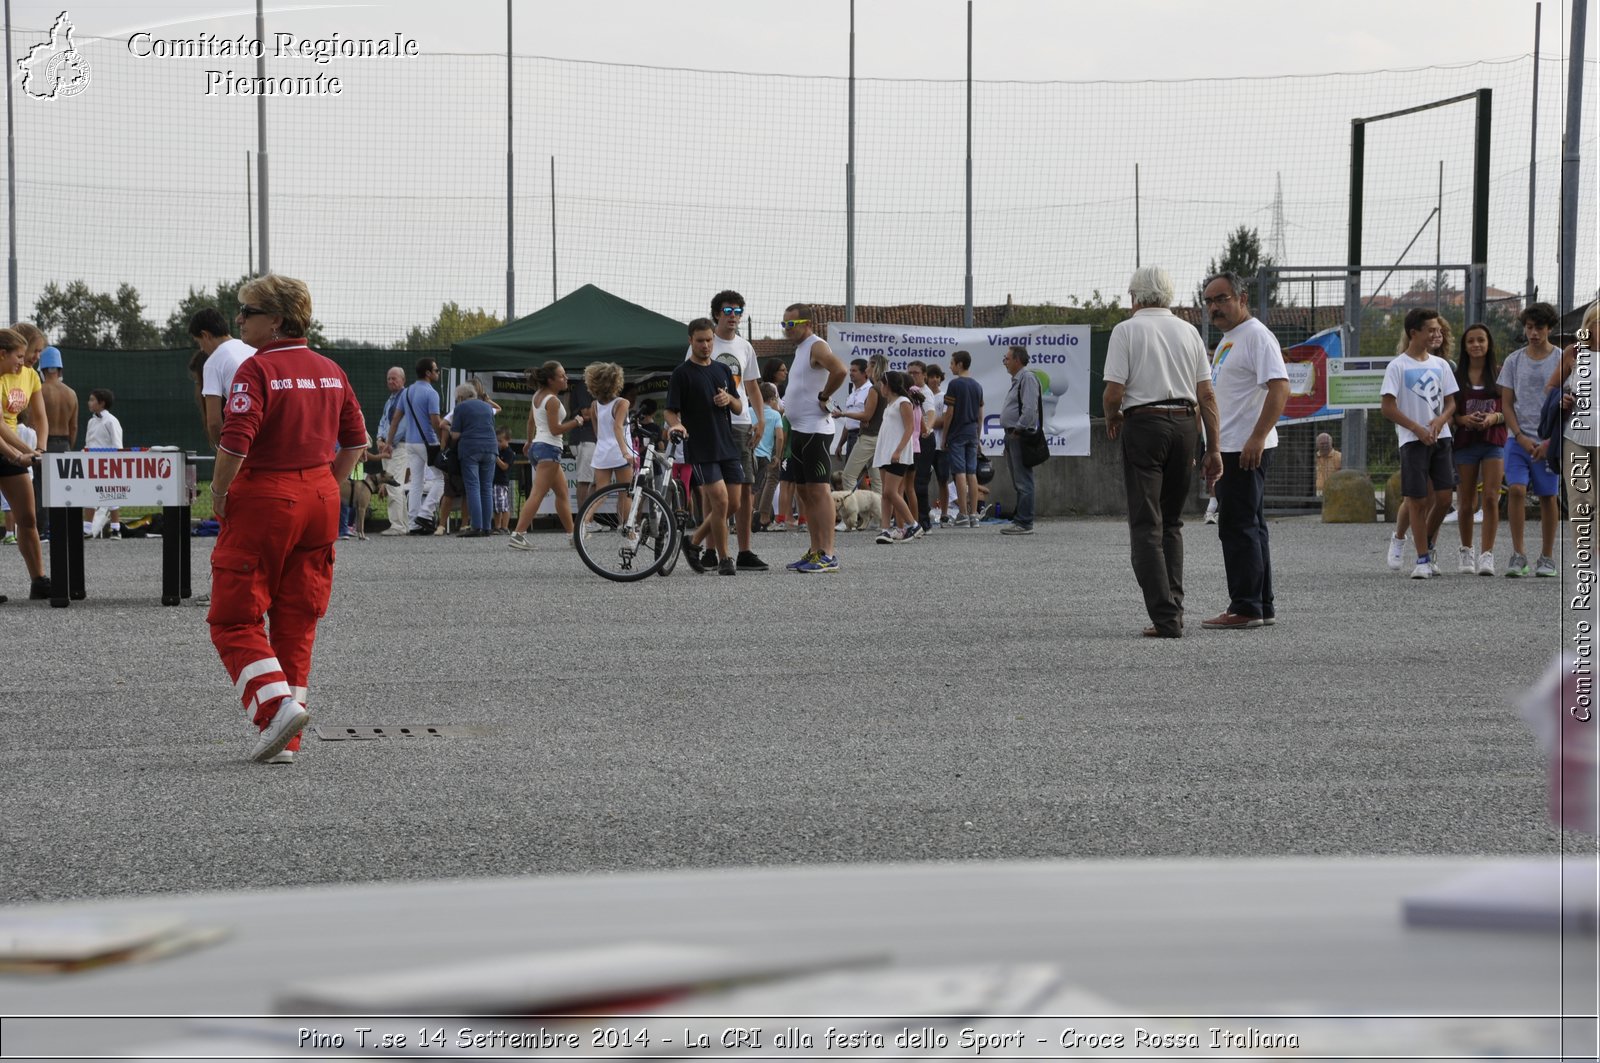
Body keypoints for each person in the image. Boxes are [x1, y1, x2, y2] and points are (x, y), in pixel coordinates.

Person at [207, 274, 366, 764]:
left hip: (267, 496)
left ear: (276, 319)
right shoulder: (330, 369)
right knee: (297, 619)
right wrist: (325, 482)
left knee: (233, 617)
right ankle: (286, 741)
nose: (238, 319)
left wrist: (217, 490)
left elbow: (235, 439)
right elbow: (357, 441)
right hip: (321, 495)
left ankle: (275, 709)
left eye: (247, 311)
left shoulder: (256, 370)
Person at [1103, 266, 1219, 638]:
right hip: (1186, 424)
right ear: (1167, 295)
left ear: (1135, 297)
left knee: (1145, 522)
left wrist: (1112, 417)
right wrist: (1212, 447)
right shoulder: (1189, 332)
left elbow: (1113, 391)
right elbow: (1207, 395)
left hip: (1145, 424)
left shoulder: (1126, 330)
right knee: (1172, 522)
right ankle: (1175, 609)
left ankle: (1165, 618)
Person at [1200, 270, 1289, 626]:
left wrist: (1257, 436)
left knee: (1237, 526)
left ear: (1241, 299)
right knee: (1251, 524)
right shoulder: (1229, 339)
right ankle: (1261, 604)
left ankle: (1245, 606)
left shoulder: (1256, 336)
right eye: (1208, 301)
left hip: (1245, 446)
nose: (1214, 307)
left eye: (1221, 299)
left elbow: (1280, 388)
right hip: (1231, 446)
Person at [686, 291, 767, 571]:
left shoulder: (745, 347)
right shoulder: (703, 341)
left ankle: (744, 550)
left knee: (744, 490)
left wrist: (761, 419)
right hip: (712, 425)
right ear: (717, 314)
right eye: (728, 310)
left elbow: (752, 386)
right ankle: (710, 550)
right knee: (713, 493)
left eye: (738, 310)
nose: (734, 315)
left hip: (741, 421)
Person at [1380, 307, 1458, 580]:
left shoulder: (1441, 365)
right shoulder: (1398, 366)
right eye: (1432, 330)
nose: (1437, 334)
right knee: (1416, 499)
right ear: (1415, 333)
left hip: (1441, 438)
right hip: (1412, 441)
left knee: (1445, 497)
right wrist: (1417, 428)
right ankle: (1422, 559)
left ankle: (1427, 545)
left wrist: (1439, 422)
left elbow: (1451, 402)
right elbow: (1387, 408)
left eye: (1439, 330)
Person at [667, 319, 744, 575]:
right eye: (700, 340)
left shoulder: (722, 369)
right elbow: (669, 411)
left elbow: (739, 406)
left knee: (733, 504)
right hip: (700, 447)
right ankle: (725, 558)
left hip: (727, 444)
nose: (706, 345)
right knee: (720, 502)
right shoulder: (682, 373)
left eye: (709, 340)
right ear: (691, 341)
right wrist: (676, 425)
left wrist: (729, 398)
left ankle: (693, 541)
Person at [777, 306, 847, 573]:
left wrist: (824, 396)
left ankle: (828, 553)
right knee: (805, 492)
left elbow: (839, 371)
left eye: (791, 323)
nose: (786, 329)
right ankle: (816, 549)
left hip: (815, 431)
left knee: (819, 491)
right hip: (799, 430)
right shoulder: (801, 349)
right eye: (783, 324)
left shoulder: (816, 346)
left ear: (807, 323)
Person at [1499, 302, 1561, 578]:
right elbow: (1507, 404)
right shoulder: (1514, 360)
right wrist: (1520, 437)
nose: (1533, 333)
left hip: (1549, 441)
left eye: (1539, 328)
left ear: (1549, 329)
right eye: (1529, 327)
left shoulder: (1562, 359)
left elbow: (1566, 402)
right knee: (1516, 490)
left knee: (1548, 496)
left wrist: (1548, 442)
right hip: (1518, 440)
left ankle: (1547, 557)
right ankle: (1518, 554)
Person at [508, 361, 584, 550]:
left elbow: (530, 421)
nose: (565, 378)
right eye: (561, 375)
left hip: (540, 447)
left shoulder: (538, 396)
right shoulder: (552, 400)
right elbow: (556, 429)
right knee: (538, 494)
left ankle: (572, 535)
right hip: (549, 448)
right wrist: (576, 421)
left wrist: (528, 441)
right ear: (551, 380)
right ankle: (518, 535)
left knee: (562, 493)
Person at [1450, 323, 1506, 575]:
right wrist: (1464, 420)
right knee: (1466, 502)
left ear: (1488, 344)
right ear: (1465, 346)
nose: (1476, 345)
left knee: (1492, 497)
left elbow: (1510, 411)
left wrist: (1494, 418)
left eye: (1481, 340)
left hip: (1493, 441)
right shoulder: (1456, 377)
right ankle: (1466, 551)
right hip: (1465, 444)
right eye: (1471, 341)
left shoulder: (1500, 374)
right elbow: (1451, 414)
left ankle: (1487, 555)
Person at [0, 328, 48, 600]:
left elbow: (40, 417)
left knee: (27, 517)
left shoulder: (31, 376)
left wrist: (38, 449)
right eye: (31, 352)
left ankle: (39, 579)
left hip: (11, 447)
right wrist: (22, 453)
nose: (33, 358)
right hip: (10, 447)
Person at [1551, 303, 1598, 548]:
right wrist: (1562, 397)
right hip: (1576, 433)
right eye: (1596, 323)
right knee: (1580, 496)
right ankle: (1583, 552)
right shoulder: (1574, 352)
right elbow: (1550, 388)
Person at [395, 358, 446, 534]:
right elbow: (435, 421)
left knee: (416, 481)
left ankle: (413, 523)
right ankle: (425, 513)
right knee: (440, 479)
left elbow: (396, 418)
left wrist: (388, 441)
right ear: (428, 373)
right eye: (436, 370)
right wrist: (443, 442)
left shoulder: (407, 392)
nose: (438, 372)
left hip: (410, 442)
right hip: (428, 442)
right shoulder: (431, 393)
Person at [192, 309, 256, 448]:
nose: (202, 349)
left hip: (248, 437)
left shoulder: (213, 363)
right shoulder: (251, 347)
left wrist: (226, 453)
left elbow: (214, 422)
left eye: (199, 342)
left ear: (205, 335)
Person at [583, 361, 634, 534]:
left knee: (601, 493)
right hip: (620, 452)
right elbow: (618, 427)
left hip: (602, 452)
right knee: (626, 492)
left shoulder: (594, 406)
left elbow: (598, 433)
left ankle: (585, 522)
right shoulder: (622, 403)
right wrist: (625, 452)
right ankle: (627, 527)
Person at [871, 370, 922, 543]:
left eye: (882, 384)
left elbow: (910, 428)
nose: (880, 387)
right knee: (886, 494)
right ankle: (885, 529)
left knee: (890, 492)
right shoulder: (889, 404)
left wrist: (898, 450)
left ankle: (913, 524)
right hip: (884, 453)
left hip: (897, 453)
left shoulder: (903, 401)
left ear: (889, 385)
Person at [997, 345, 1042, 535]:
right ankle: (1021, 519)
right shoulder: (1018, 380)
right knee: (1019, 480)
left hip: (1019, 436)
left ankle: (1024, 522)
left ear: (1017, 360)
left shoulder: (1027, 378)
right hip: (1013, 435)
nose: (1005, 362)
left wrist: (1018, 429)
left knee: (1023, 480)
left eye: (1007, 358)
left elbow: (1030, 409)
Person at [448, 382, 498, 537]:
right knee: (487, 488)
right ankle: (487, 527)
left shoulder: (460, 408)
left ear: (461, 397)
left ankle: (476, 526)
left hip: (470, 449)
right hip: (490, 448)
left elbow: (455, 435)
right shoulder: (487, 407)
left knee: (473, 487)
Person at [943, 349, 984, 527]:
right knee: (972, 473)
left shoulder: (954, 385)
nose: (950, 367)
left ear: (959, 364)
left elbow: (949, 412)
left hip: (957, 433)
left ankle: (963, 514)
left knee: (959, 472)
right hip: (971, 432)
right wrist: (978, 435)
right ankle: (974, 514)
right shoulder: (977, 386)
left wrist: (944, 436)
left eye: (952, 363)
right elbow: (980, 414)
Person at [835, 354, 887, 495]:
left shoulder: (874, 389)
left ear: (873, 367)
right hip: (876, 437)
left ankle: (853, 514)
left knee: (848, 476)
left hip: (868, 438)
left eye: (869, 365)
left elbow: (866, 415)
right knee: (877, 481)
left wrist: (843, 414)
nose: (867, 368)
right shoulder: (883, 388)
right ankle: (879, 515)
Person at [81, 388, 124, 538]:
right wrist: (85, 452)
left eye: (92, 400)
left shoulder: (111, 421)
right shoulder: (91, 421)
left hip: (108, 464)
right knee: (89, 495)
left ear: (102, 403)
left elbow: (117, 445)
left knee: (111, 495)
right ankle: (87, 529)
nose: (89, 402)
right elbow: (89, 443)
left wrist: (113, 462)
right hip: (92, 464)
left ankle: (116, 529)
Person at [373, 366, 411, 534]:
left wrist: (389, 442)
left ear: (403, 380)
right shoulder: (390, 400)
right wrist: (380, 439)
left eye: (394, 378)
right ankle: (403, 524)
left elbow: (402, 426)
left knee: (393, 484)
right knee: (395, 485)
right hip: (387, 447)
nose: (391, 381)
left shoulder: (405, 398)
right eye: (389, 378)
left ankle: (397, 526)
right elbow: (383, 421)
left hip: (398, 447)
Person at [913, 362, 947, 529]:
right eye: (910, 373)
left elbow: (931, 413)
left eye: (916, 373)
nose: (913, 376)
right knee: (910, 481)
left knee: (920, 480)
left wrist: (928, 428)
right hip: (914, 439)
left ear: (924, 374)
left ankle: (924, 522)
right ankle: (913, 518)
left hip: (925, 439)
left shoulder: (925, 393)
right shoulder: (911, 391)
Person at [753, 381, 784, 529]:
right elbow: (779, 437)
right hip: (765, 455)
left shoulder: (750, 410)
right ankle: (763, 516)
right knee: (766, 483)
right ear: (772, 398)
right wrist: (777, 455)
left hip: (750, 452)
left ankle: (751, 514)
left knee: (751, 487)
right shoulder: (775, 414)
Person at [37, 347, 76, 452]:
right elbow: (74, 427)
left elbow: (32, 422)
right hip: (65, 444)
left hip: (43, 444)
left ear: (42, 369)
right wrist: (68, 447)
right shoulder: (72, 394)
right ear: (60, 369)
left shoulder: (38, 391)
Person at [833, 359, 871, 459]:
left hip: (863, 436)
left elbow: (868, 416)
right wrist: (840, 444)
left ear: (864, 373)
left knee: (857, 473)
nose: (850, 373)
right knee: (851, 473)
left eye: (854, 371)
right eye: (850, 370)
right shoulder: (853, 393)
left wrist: (843, 414)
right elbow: (849, 423)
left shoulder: (870, 391)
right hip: (851, 437)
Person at [492, 427, 515, 534]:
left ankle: (505, 527)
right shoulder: (498, 450)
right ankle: (497, 526)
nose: (498, 443)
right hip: (494, 481)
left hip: (501, 482)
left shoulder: (508, 453)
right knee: (496, 507)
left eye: (500, 441)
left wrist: (496, 458)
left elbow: (504, 466)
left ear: (508, 440)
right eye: (497, 441)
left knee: (503, 506)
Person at [1313, 432, 1341, 497]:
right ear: (1317, 445)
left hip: (1335, 492)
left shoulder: (1340, 457)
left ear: (1331, 444)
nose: (1325, 446)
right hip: (1317, 493)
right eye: (1322, 444)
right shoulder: (1314, 458)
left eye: (1327, 443)